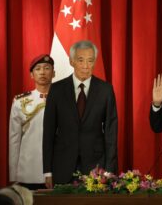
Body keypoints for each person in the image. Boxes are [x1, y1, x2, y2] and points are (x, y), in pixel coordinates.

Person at [43, 40, 118, 188]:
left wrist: (109, 170)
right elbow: (48, 132)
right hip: (62, 165)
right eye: (81, 60)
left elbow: (111, 132)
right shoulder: (57, 90)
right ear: (71, 61)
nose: (86, 66)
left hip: (96, 166)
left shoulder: (105, 90)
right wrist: (47, 172)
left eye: (90, 61)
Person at [9, 54, 55, 190]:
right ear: (31, 75)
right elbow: (14, 139)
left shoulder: (65, 100)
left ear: (53, 73)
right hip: (29, 169)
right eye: (38, 69)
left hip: (58, 168)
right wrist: (14, 175)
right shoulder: (20, 102)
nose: (42, 72)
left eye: (47, 68)